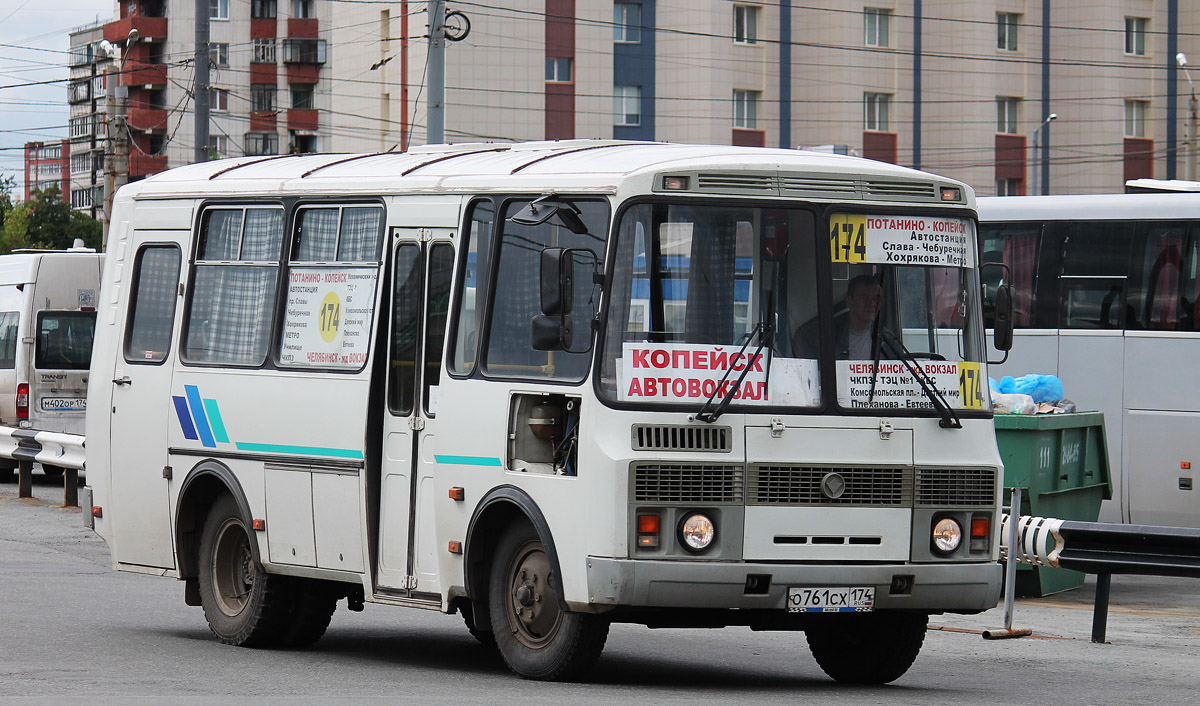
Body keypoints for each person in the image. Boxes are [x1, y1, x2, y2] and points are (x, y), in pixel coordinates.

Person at [839, 274, 882, 359]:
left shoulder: (889, 340)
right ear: (849, 301)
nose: (871, 303)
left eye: (875, 298)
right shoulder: (829, 337)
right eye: (864, 297)